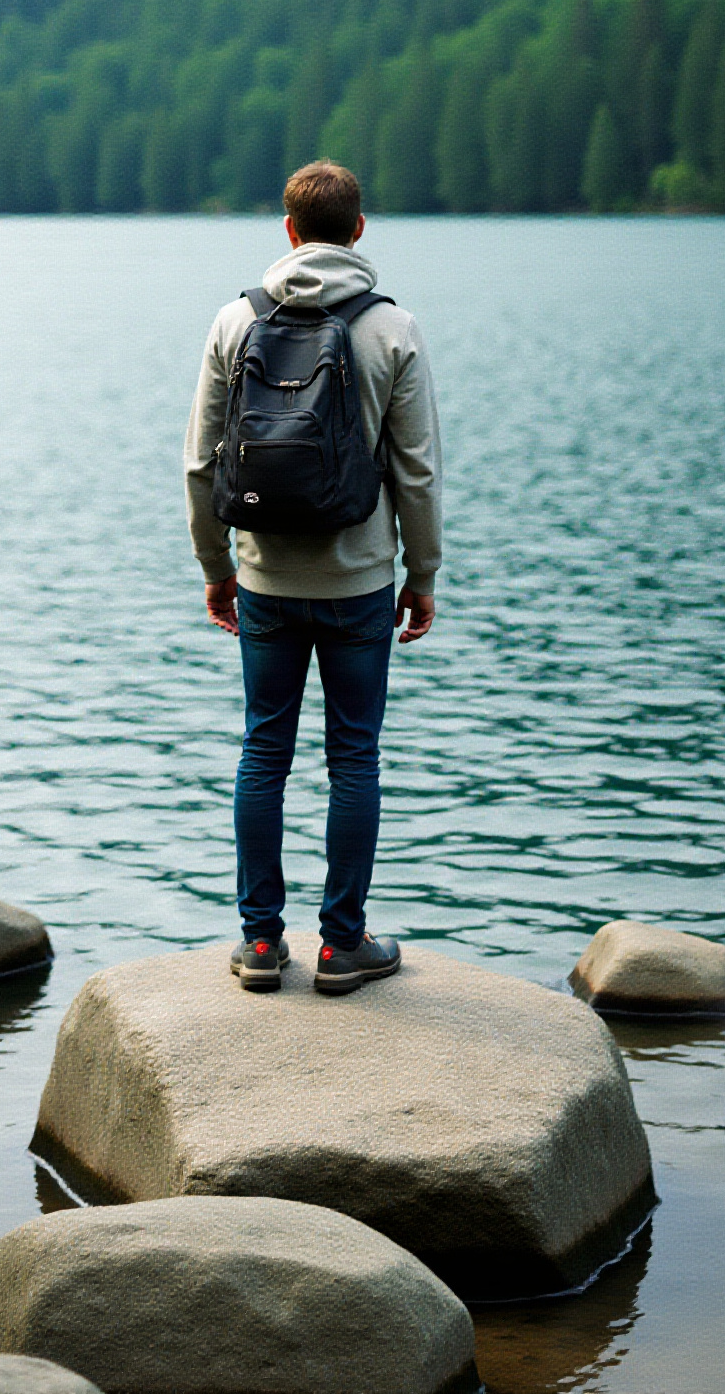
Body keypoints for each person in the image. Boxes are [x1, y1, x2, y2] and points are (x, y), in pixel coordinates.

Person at [184, 160, 443, 996]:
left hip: (263, 579)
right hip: (360, 580)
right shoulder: (393, 328)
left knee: (265, 751)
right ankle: (341, 947)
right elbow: (418, 474)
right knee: (354, 757)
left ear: (289, 231)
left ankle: (260, 945)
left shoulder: (236, 321)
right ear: (358, 230)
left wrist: (216, 568)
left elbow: (199, 465)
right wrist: (423, 573)